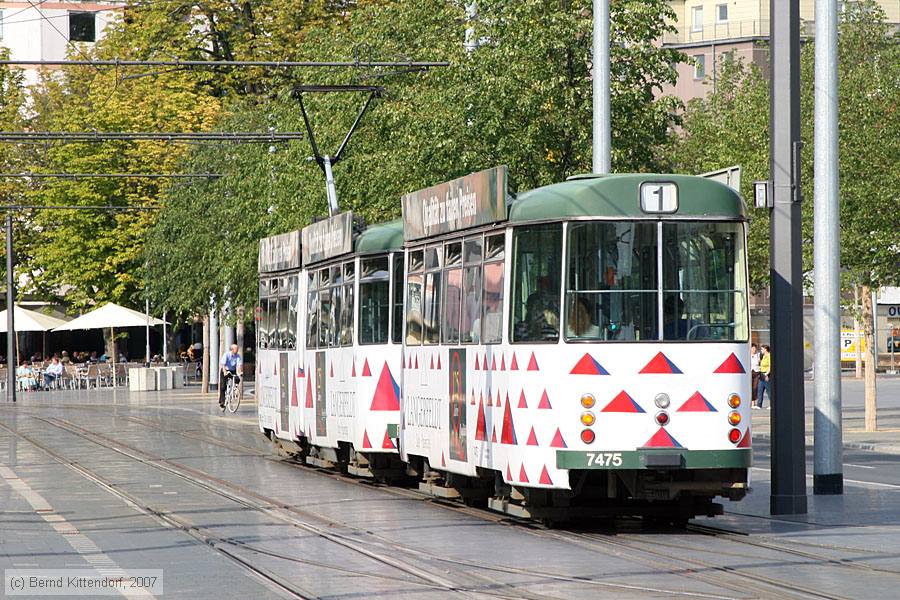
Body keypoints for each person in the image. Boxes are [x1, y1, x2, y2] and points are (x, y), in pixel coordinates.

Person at [218, 343, 242, 409]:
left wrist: (240, 372)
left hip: (232, 370)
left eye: (237, 349)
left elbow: (239, 365)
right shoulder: (226, 355)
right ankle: (222, 402)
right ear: (232, 349)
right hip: (225, 370)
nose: (237, 350)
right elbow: (223, 364)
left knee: (237, 378)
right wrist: (225, 372)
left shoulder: (238, 356)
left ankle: (235, 388)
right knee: (223, 386)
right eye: (236, 349)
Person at [756, 345, 771, 409]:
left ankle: (771, 404)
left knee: (769, 390)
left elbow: (770, 366)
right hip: (761, 374)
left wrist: (767, 374)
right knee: (760, 389)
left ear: (765, 349)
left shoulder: (769, 356)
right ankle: (759, 405)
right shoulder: (763, 356)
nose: (761, 350)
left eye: (762, 349)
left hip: (766, 374)